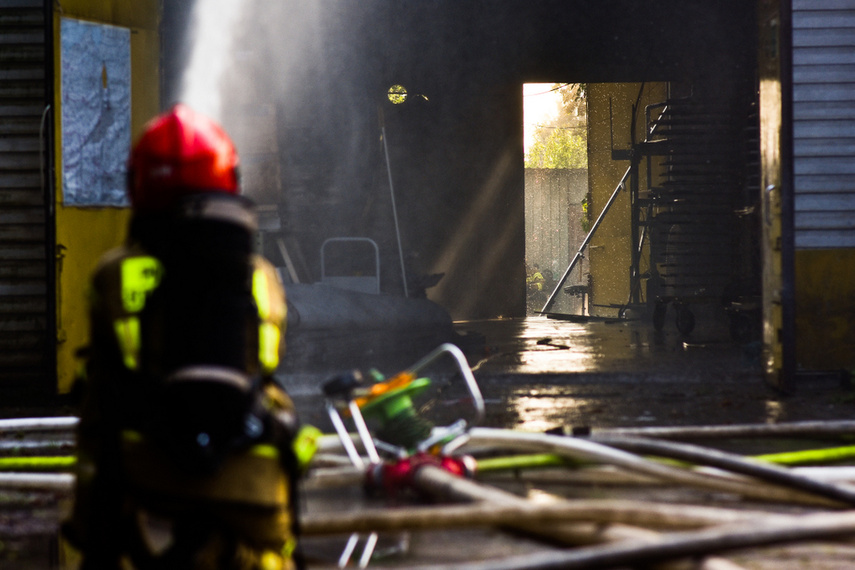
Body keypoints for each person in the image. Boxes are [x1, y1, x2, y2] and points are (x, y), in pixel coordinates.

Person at [64, 104, 309, 570]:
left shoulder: (112, 274)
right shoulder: (261, 276)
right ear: (229, 181)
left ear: (139, 185)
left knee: (99, 408)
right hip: (253, 486)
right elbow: (265, 364)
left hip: (147, 481)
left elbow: (106, 386)